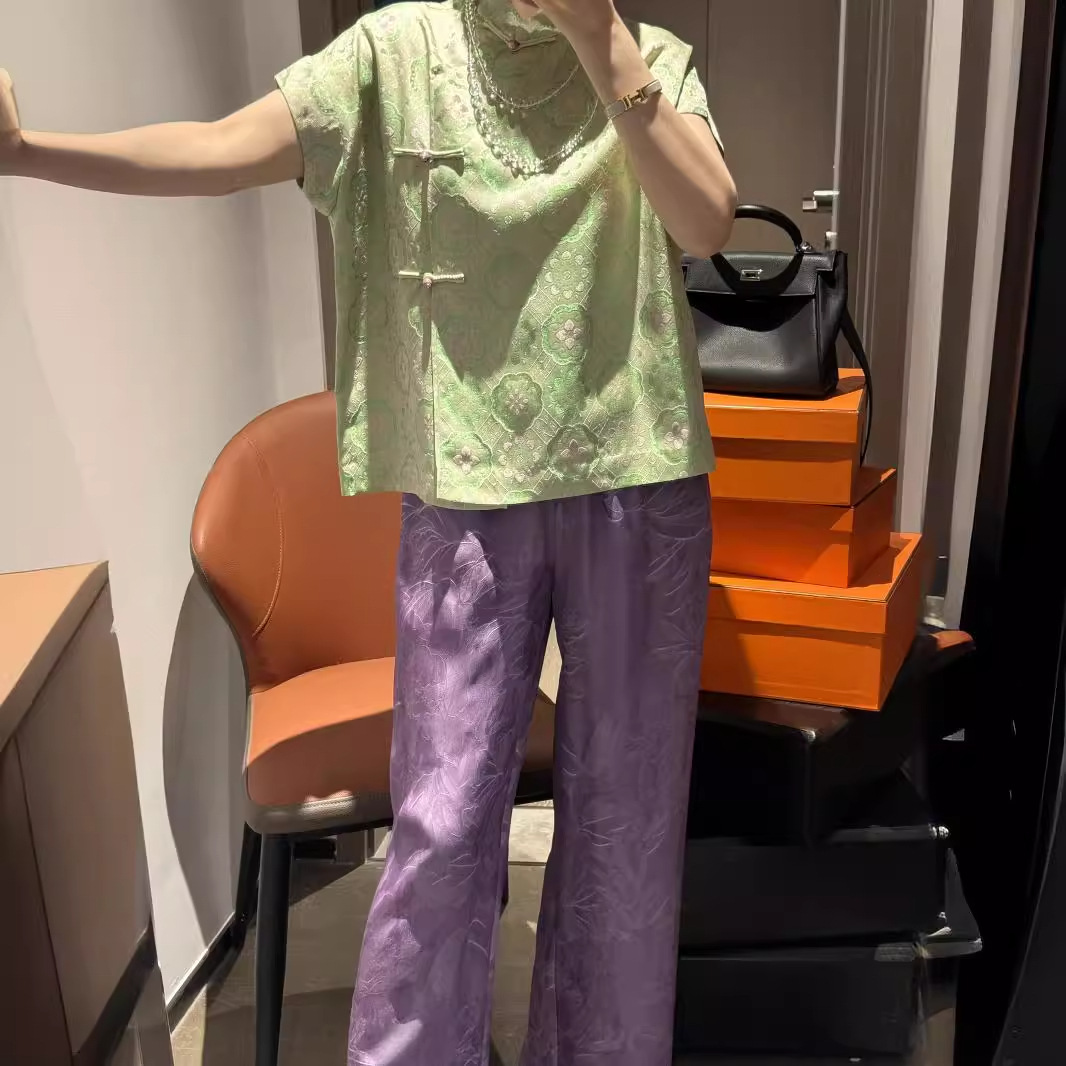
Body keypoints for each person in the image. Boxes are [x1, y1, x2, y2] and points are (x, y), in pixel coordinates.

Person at [1, 0, 735, 1062]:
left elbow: (707, 223)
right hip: (465, 485)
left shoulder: (651, 58)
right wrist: (28, 152)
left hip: (641, 471)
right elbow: (220, 149)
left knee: (630, 825)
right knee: (441, 826)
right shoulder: (398, 53)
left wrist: (599, 39)